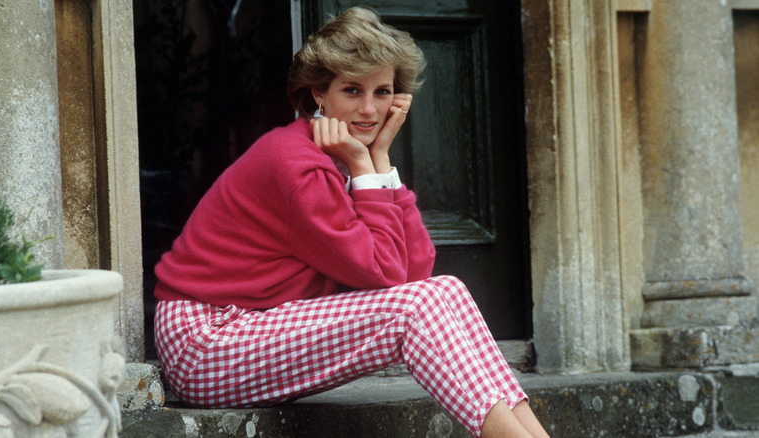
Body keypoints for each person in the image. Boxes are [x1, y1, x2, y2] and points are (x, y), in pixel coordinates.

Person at [153, 7, 549, 438]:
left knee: (447, 290)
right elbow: (386, 276)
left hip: (253, 325)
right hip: (205, 342)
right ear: (319, 94)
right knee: (416, 307)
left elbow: (415, 272)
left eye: (383, 92)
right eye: (352, 90)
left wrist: (379, 159)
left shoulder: (339, 154)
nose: (369, 109)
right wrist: (363, 163)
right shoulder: (298, 165)